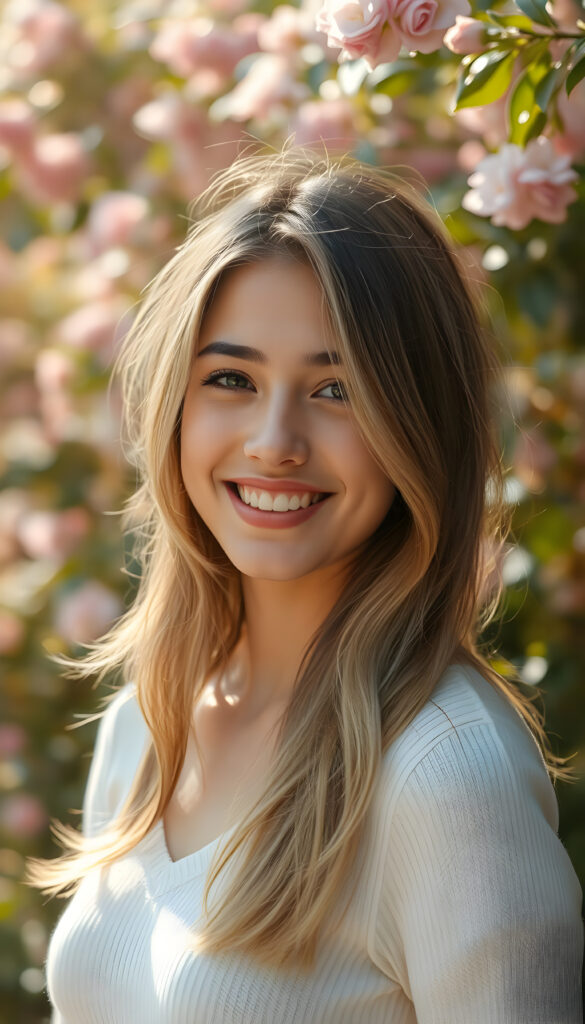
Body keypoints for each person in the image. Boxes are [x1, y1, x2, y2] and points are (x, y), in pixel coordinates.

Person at [30, 147, 583, 1023]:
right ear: (175, 407)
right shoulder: (147, 719)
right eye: (231, 380)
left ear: (418, 424)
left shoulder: (447, 773)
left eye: (335, 389)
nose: (274, 442)